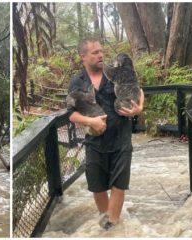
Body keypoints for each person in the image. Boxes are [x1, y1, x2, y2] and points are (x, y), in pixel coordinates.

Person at [68, 38, 144, 230]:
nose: (101, 55)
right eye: (95, 52)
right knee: (97, 186)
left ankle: (112, 227)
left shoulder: (114, 73)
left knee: (120, 183)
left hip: (121, 138)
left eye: (101, 51)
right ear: (83, 56)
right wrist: (90, 121)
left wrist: (139, 108)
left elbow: (137, 89)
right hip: (94, 140)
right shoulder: (77, 82)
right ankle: (107, 223)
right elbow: (71, 113)